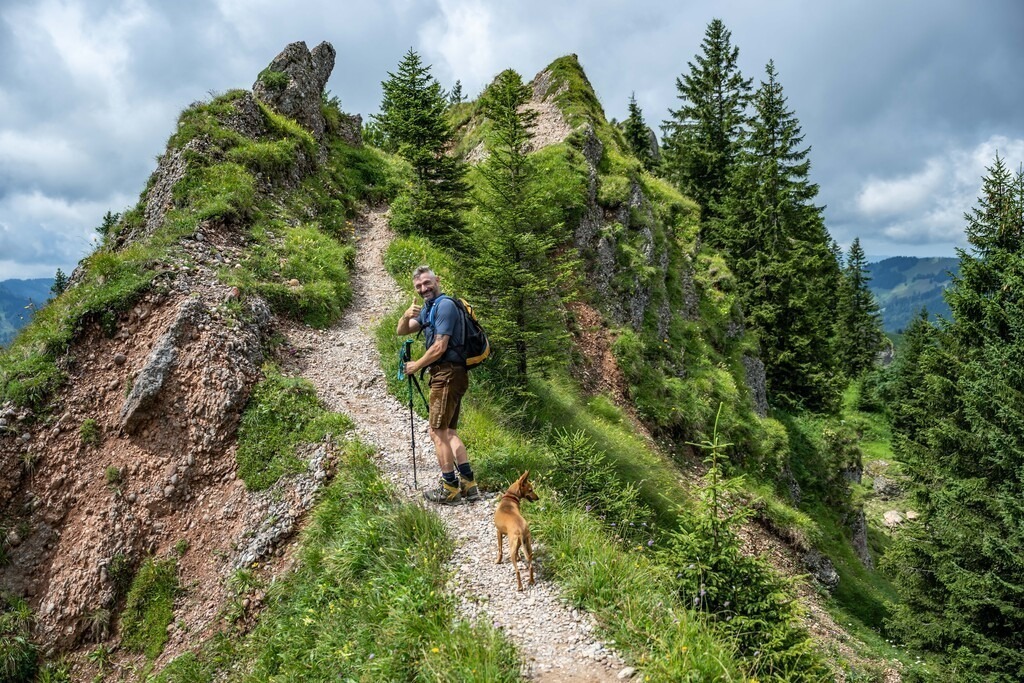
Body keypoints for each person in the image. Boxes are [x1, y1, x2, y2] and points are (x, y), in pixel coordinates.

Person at [396, 265, 481, 504]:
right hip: (453, 374)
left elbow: (439, 346)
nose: (424, 288)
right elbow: (401, 331)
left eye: (427, 283)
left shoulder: (444, 306)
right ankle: (468, 484)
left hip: (446, 374)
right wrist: (405, 315)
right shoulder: (429, 309)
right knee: (449, 432)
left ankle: (449, 488)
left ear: (437, 281)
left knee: (437, 433)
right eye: (419, 286)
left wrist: (417, 365)